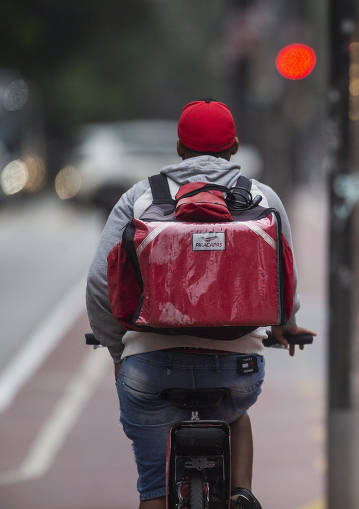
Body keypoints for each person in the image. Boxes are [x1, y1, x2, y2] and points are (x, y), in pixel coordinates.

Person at [85, 99, 315, 509]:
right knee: (236, 413)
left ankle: (157, 497)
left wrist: (117, 348)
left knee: (152, 482)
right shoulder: (262, 198)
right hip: (236, 368)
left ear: (178, 148)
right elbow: (285, 281)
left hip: (149, 368)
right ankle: (240, 494)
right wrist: (286, 324)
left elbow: (100, 283)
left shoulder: (139, 198)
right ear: (235, 147)